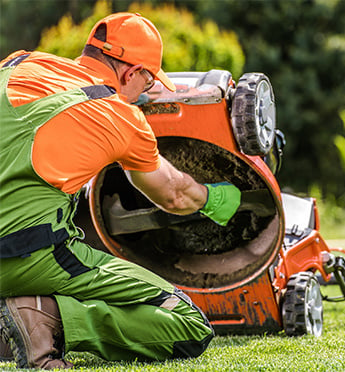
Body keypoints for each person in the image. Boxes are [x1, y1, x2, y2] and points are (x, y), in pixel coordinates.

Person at [0, 12, 241, 369]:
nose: (144, 92)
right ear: (132, 74)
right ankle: (44, 318)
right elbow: (173, 195)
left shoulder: (19, 62)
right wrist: (220, 199)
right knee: (189, 326)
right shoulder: (124, 119)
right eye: (146, 83)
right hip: (23, 254)